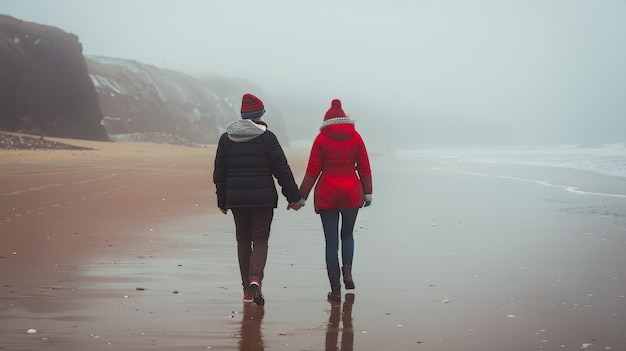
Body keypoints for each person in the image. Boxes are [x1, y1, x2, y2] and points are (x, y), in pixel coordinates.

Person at [213, 93, 304, 307]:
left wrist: (222, 201)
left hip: (236, 199)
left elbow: (220, 173)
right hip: (263, 199)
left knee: (243, 240)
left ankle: (246, 290)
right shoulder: (268, 138)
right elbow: (281, 169)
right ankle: (256, 278)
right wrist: (293, 197)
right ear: (260, 114)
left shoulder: (226, 138)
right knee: (260, 239)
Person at [293, 99, 373, 302]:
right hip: (351, 193)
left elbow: (313, 171)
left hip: (328, 193)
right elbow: (364, 167)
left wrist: (300, 197)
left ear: (327, 120)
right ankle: (348, 272)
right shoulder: (355, 137)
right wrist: (368, 192)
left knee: (331, 243)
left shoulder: (321, 139)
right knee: (347, 235)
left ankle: (335, 290)